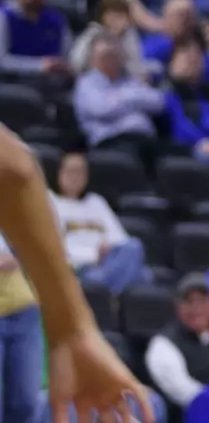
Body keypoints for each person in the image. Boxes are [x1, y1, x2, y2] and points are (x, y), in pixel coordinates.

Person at [0, 120, 153, 423]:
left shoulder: (96, 204)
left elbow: (17, 169)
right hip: (46, 290)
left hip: (21, 302)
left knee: (22, 408)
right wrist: (71, 326)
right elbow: (17, 168)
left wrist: (71, 327)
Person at [51, 152, 150, 294]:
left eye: (81, 172)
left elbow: (120, 240)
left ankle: (106, 294)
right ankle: (112, 295)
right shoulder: (49, 201)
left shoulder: (96, 202)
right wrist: (92, 257)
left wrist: (108, 250)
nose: (76, 177)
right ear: (59, 173)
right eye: (71, 171)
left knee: (134, 246)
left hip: (106, 266)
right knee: (142, 277)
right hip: (77, 269)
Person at [146, 274, 209, 415]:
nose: (196, 308)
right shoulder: (163, 344)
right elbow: (183, 391)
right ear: (177, 306)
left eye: (202, 301)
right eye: (188, 301)